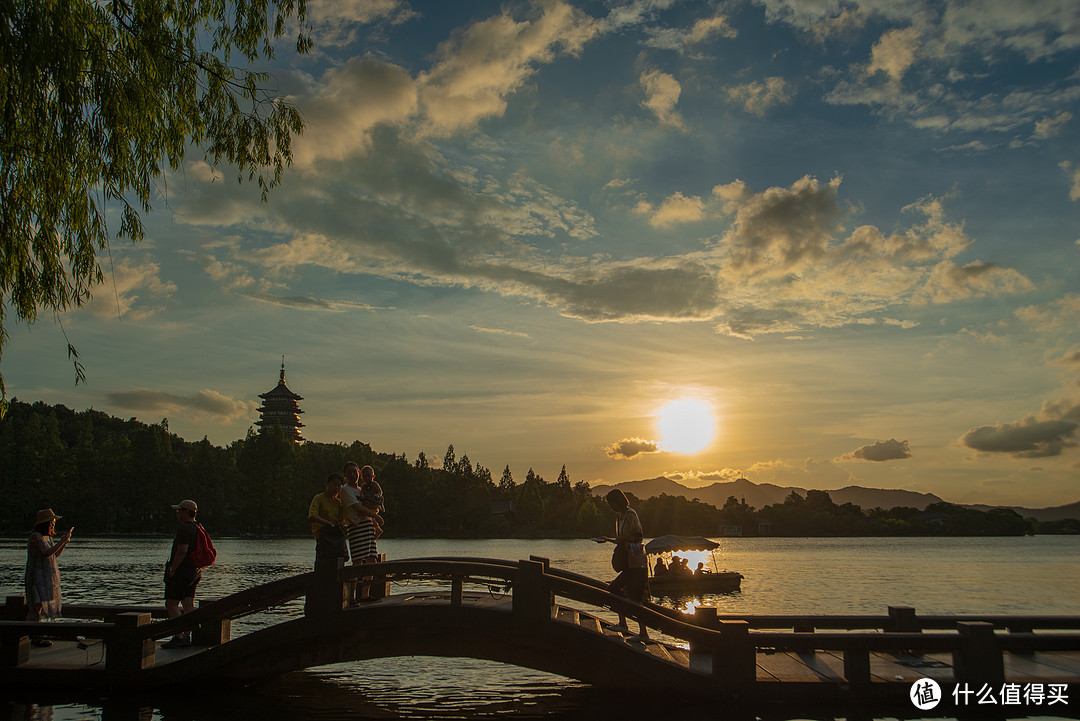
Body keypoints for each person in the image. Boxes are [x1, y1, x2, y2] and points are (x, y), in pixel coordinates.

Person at [594, 489, 649, 642]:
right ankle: (624, 624)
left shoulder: (630, 514)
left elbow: (638, 536)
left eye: (612, 504)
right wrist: (607, 539)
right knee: (618, 590)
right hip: (628, 562)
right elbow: (621, 539)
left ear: (618, 501)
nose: (611, 507)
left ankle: (642, 633)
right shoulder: (620, 517)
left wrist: (618, 539)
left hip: (637, 562)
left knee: (635, 597)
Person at [25, 508, 72, 646]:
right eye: (51, 522)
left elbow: (54, 554)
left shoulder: (47, 537)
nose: (53, 525)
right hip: (36, 576)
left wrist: (64, 542)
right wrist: (61, 541)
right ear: (45, 523)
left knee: (38, 606)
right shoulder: (36, 536)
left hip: (44, 577)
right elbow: (46, 553)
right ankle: (34, 636)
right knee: (35, 606)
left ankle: (35, 634)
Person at [341, 462, 384, 603]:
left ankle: (365, 595)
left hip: (368, 526)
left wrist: (375, 522)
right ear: (345, 475)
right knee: (358, 562)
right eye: (349, 473)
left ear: (359, 473)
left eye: (355, 472)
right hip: (356, 528)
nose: (353, 475)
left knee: (371, 560)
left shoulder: (362, 489)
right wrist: (376, 516)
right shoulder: (345, 490)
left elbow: (371, 505)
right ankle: (352, 597)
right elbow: (358, 508)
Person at [162, 499, 202, 648]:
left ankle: (179, 636)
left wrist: (173, 569)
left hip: (181, 573)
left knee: (171, 603)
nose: (177, 513)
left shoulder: (185, 528)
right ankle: (187, 636)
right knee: (188, 603)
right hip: (195, 572)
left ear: (185, 512)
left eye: (179, 510)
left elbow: (182, 550)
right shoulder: (199, 527)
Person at [308, 473, 346, 562]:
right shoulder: (319, 498)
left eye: (339, 486)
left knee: (337, 562)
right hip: (323, 536)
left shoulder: (338, 503)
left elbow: (341, 520)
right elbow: (312, 516)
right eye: (334, 484)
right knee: (323, 562)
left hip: (335, 538)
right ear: (327, 484)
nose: (336, 487)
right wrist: (328, 523)